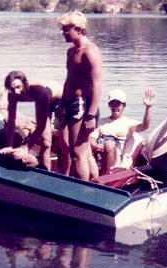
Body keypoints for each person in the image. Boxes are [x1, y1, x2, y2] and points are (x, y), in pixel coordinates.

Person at [57, 11, 102, 180]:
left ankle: (83, 190)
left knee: (77, 152)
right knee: (85, 150)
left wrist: (91, 114)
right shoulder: (71, 51)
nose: (63, 33)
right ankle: (95, 183)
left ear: (80, 29)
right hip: (70, 102)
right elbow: (69, 80)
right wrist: (61, 105)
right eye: (62, 29)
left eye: (66, 29)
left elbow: (97, 84)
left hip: (82, 104)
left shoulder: (89, 52)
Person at [0, 70, 63, 171]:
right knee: (46, 143)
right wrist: (9, 146)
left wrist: (26, 147)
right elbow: (11, 123)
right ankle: (46, 175)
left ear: (25, 84)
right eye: (11, 89)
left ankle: (68, 176)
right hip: (44, 101)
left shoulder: (39, 92)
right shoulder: (12, 95)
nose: (16, 92)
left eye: (18, 87)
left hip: (61, 100)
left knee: (67, 144)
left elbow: (40, 126)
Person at [90, 88, 154, 175]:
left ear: (124, 105)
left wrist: (148, 108)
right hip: (100, 154)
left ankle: (106, 177)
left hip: (116, 157)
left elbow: (145, 126)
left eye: (118, 104)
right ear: (109, 105)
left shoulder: (128, 123)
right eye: (112, 104)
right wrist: (95, 145)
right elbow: (92, 139)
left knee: (109, 144)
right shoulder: (101, 122)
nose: (115, 107)